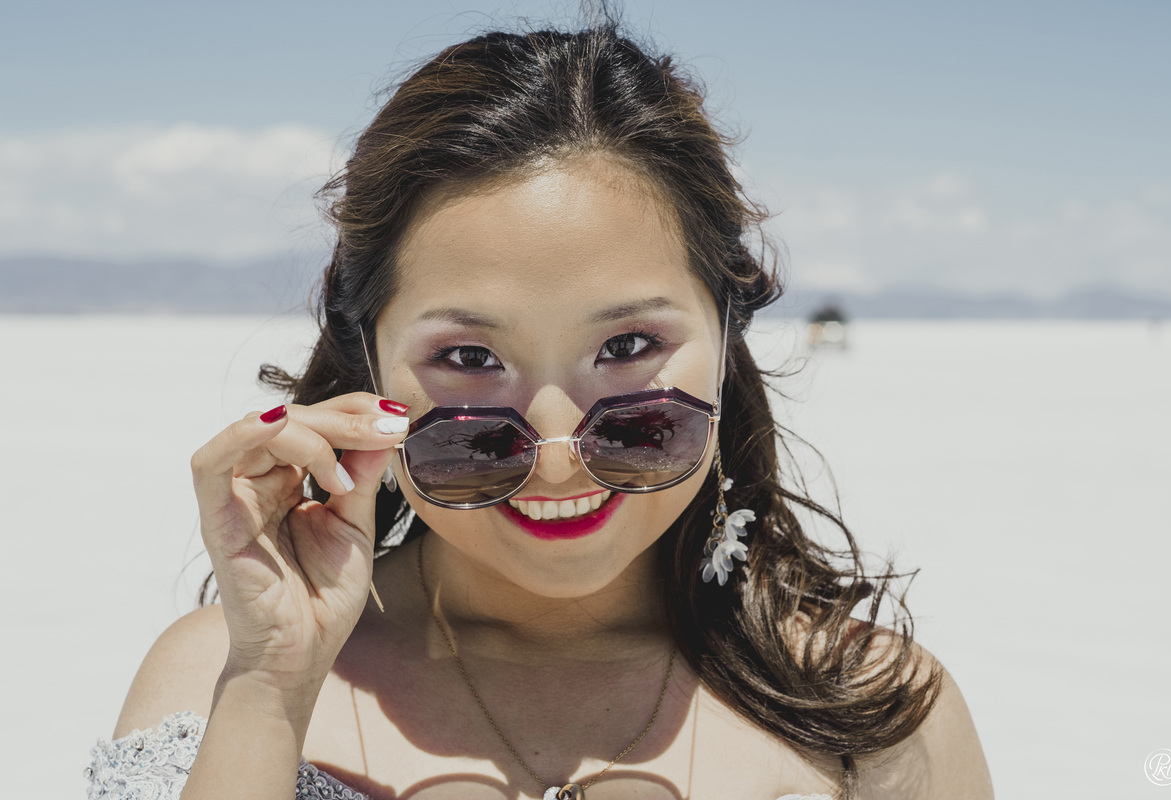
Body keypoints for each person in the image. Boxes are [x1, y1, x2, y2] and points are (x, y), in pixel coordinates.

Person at [88, 16, 992, 800]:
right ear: (370, 359)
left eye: (628, 347)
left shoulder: (868, 709)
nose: (557, 452)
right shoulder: (219, 675)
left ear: (725, 334)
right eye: (471, 358)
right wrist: (269, 692)